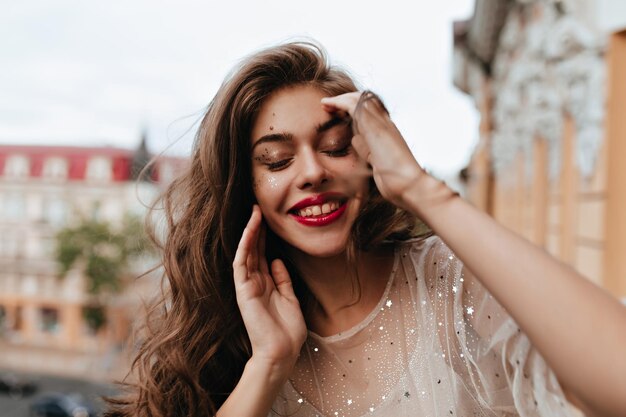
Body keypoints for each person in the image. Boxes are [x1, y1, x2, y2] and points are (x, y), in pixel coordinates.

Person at [105, 42, 626, 417]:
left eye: (335, 147)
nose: (312, 172)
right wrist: (268, 365)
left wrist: (424, 190)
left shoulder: (450, 283)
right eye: (277, 159)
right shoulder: (228, 340)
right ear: (247, 188)